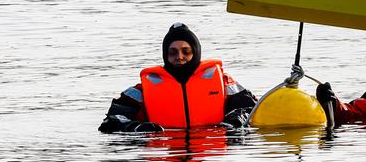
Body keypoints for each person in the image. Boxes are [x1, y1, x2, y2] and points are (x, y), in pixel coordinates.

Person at [98, 22, 257, 133]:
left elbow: (254, 110)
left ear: (195, 52)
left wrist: (236, 119)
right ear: (165, 55)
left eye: (185, 51)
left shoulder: (224, 82)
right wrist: (136, 128)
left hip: (210, 151)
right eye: (173, 52)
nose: (179, 57)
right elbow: (111, 121)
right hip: (163, 150)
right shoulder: (141, 90)